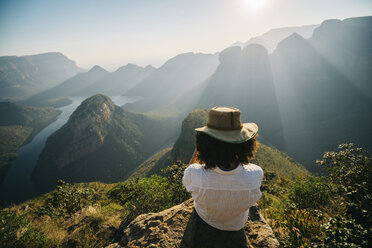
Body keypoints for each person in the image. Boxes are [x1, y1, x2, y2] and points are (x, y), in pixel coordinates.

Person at [182, 106, 263, 247]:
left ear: (204, 144)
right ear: (245, 143)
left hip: (203, 224)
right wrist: (238, 151)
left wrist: (198, 152)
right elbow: (242, 169)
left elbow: (187, 174)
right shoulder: (255, 174)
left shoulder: (195, 174)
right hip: (236, 228)